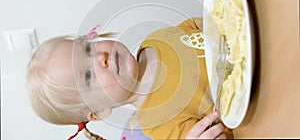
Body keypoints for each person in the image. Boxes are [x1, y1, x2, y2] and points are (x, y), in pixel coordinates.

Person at [26, 17, 233, 140]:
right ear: (98, 112)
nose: (100, 58)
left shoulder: (155, 39)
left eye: (88, 49)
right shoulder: (157, 123)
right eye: (88, 75)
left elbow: (197, 24)